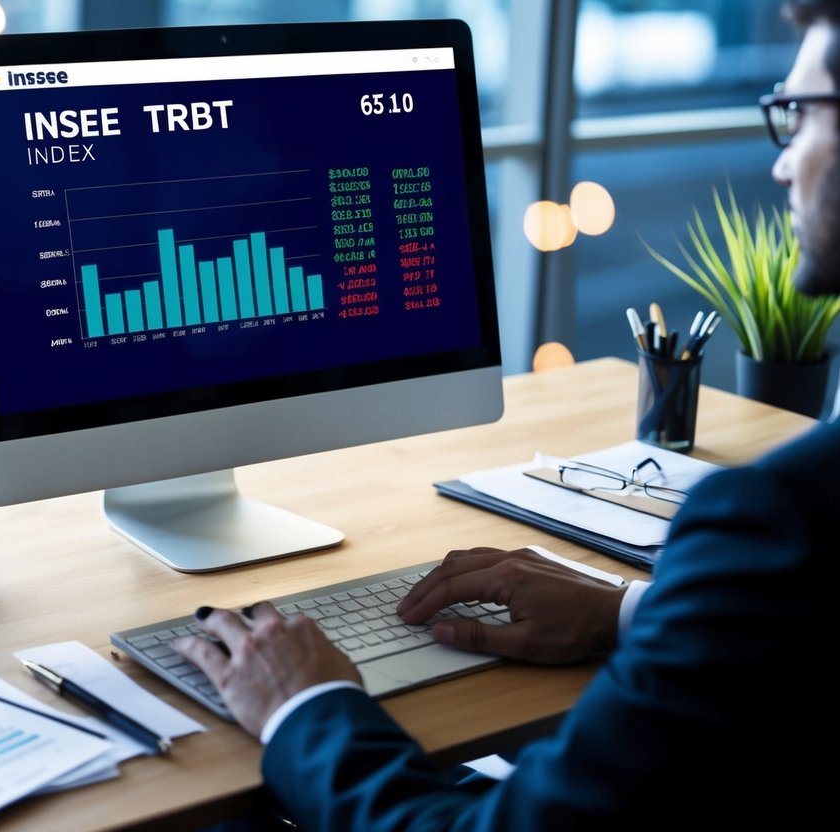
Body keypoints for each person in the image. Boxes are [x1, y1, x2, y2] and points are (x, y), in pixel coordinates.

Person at [173, 2, 837, 827]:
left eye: (800, 114)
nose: (781, 165)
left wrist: (301, 709)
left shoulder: (776, 519)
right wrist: (631, 610)